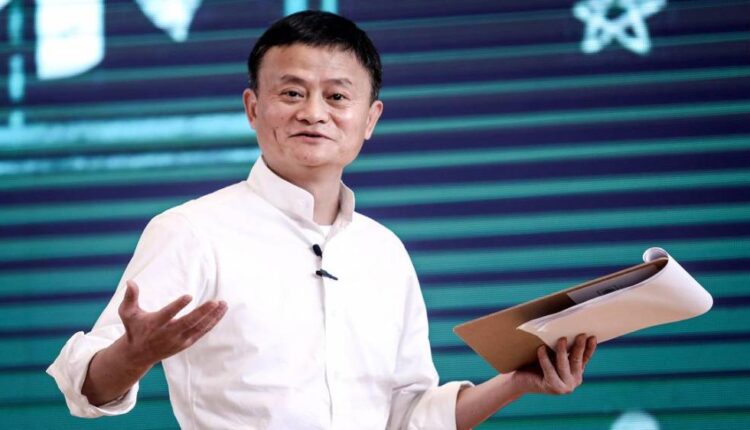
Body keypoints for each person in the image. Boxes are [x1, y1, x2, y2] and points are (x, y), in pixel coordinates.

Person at [47, 10, 597, 430]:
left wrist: (516, 382)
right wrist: (133, 355)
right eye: (291, 93)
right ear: (253, 107)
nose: (313, 113)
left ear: (370, 119)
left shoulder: (383, 252)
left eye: (337, 96)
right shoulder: (191, 231)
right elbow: (84, 388)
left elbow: (408, 415)